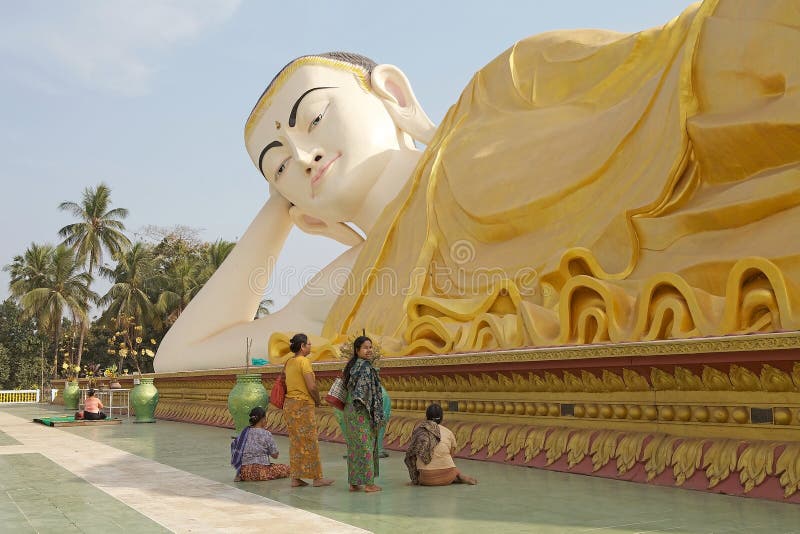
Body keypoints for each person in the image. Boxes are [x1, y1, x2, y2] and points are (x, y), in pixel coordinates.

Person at [155, 1, 800, 373]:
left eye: (314, 118)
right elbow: (178, 358)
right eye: (278, 166)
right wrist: (278, 212)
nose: (301, 154)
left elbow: (682, 62)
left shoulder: (509, 85)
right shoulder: (359, 283)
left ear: (394, 93)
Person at [282, 333, 334, 488]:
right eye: (309, 344)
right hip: (303, 404)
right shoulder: (304, 361)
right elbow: (311, 386)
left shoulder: (288, 362)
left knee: (296, 442)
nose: (311, 346)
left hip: (289, 405)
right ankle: (317, 478)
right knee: (310, 441)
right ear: (302, 346)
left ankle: (296, 478)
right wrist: (318, 400)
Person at [342, 336, 385, 492]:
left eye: (370, 347)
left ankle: (354, 482)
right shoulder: (366, 367)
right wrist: (375, 413)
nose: (369, 350)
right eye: (366, 348)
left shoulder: (351, 366)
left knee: (354, 446)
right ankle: (369, 483)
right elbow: (364, 393)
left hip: (349, 411)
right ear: (357, 350)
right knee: (367, 446)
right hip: (362, 411)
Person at [405, 403, 477, 486]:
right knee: (454, 470)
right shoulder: (448, 432)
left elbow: (412, 456)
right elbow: (451, 456)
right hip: (448, 476)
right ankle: (457, 476)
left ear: (426, 417)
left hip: (425, 479)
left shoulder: (419, 431)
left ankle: (452, 476)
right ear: (441, 418)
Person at [231, 406, 291, 482]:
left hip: (244, 472)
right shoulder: (266, 434)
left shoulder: (244, 433)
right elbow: (275, 455)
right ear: (262, 420)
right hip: (261, 472)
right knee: (286, 468)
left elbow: (235, 448)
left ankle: (239, 475)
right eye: (265, 418)